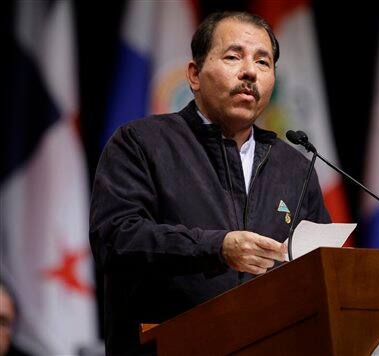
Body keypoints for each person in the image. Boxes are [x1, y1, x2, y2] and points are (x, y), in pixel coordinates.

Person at [90, 11, 330, 355]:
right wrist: (217, 247)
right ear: (194, 75)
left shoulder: (293, 165)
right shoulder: (142, 143)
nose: (249, 71)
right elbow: (115, 239)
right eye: (233, 56)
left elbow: (318, 268)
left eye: (263, 62)